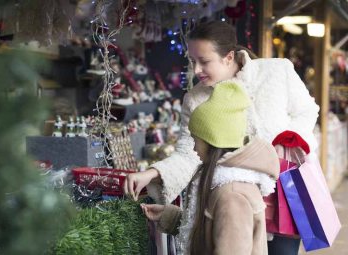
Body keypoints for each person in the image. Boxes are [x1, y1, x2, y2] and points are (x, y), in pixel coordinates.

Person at [123, 20, 319, 254]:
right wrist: (153, 173)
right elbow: (190, 153)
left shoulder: (276, 71)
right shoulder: (195, 99)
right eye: (193, 61)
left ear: (228, 56)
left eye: (204, 62)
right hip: (231, 194)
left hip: (284, 192)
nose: (196, 70)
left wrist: (285, 144)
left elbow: (307, 111)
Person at [141, 82, 280, 255]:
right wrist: (169, 216)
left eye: (196, 140)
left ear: (213, 142)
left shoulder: (232, 197)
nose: (193, 148)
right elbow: (207, 232)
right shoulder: (221, 185)